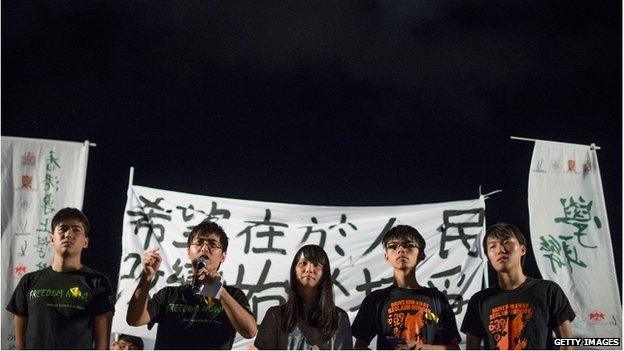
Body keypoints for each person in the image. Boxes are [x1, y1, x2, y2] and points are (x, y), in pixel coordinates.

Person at [126, 219, 257, 349]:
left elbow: (250, 332)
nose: (204, 248)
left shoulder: (233, 295)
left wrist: (221, 292)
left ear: (223, 256)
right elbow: (134, 319)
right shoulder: (168, 295)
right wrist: (147, 277)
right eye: (199, 242)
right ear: (189, 252)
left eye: (212, 244)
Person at [6, 207, 115, 349]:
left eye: (76, 230)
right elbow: (19, 343)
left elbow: (102, 345)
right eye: (63, 229)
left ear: (85, 242)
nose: (68, 234)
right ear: (52, 239)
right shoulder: (29, 281)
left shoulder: (98, 282)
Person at [461, 223, 575, 349]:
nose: (500, 250)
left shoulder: (548, 291)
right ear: (488, 258)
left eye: (506, 242)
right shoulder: (479, 301)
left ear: (522, 249)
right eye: (493, 246)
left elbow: (567, 344)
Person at [352, 225, 460, 350]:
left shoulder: (436, 298)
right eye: (393, 246)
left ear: (421, 254)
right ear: (386, 256)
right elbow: (359, 346)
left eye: (408, 245)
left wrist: (422, 348)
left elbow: (454, 348)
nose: (401, 249)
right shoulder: (376, 299)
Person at [254, 244, 353, 349]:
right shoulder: (275, 316)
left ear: (324, 273)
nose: (309, 269)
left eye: (316, 264)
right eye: (303, 263)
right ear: (294, 270)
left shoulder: (339, 318)